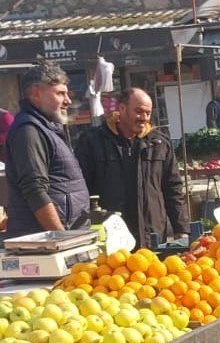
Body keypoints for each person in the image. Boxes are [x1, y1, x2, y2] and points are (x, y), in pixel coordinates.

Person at [75, 87, 190, 248]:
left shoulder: (159, 143)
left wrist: (181, 229)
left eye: (148, 113)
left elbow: (173, 188)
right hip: (110, 237)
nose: (144, 118)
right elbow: (81, 190)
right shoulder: (92, 142)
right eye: (138, 111)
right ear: (121, 108)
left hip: (152, 236)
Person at [4, 62, 90, 239]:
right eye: (60, 93)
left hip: (62, 237)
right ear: (36, 94)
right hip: (44, 244)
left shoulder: (49, 128)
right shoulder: (29, 130)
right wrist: (61, 238)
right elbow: (34, 189)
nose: (68, 100)